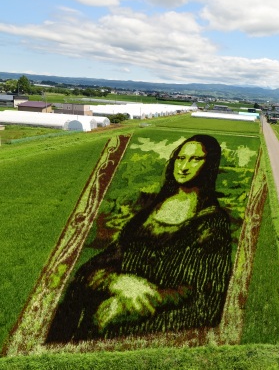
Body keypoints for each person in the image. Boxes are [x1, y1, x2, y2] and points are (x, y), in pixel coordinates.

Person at [46, 135, 232, 342]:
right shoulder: (152, 209)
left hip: (148, 324)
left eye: (195, 159)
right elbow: (102, 262)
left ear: (210, 164)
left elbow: (205, 303)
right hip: (104, 310)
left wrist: (129, 309)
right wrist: (116, 281)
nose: (184, 166)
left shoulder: (212, 223)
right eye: (181, 158)